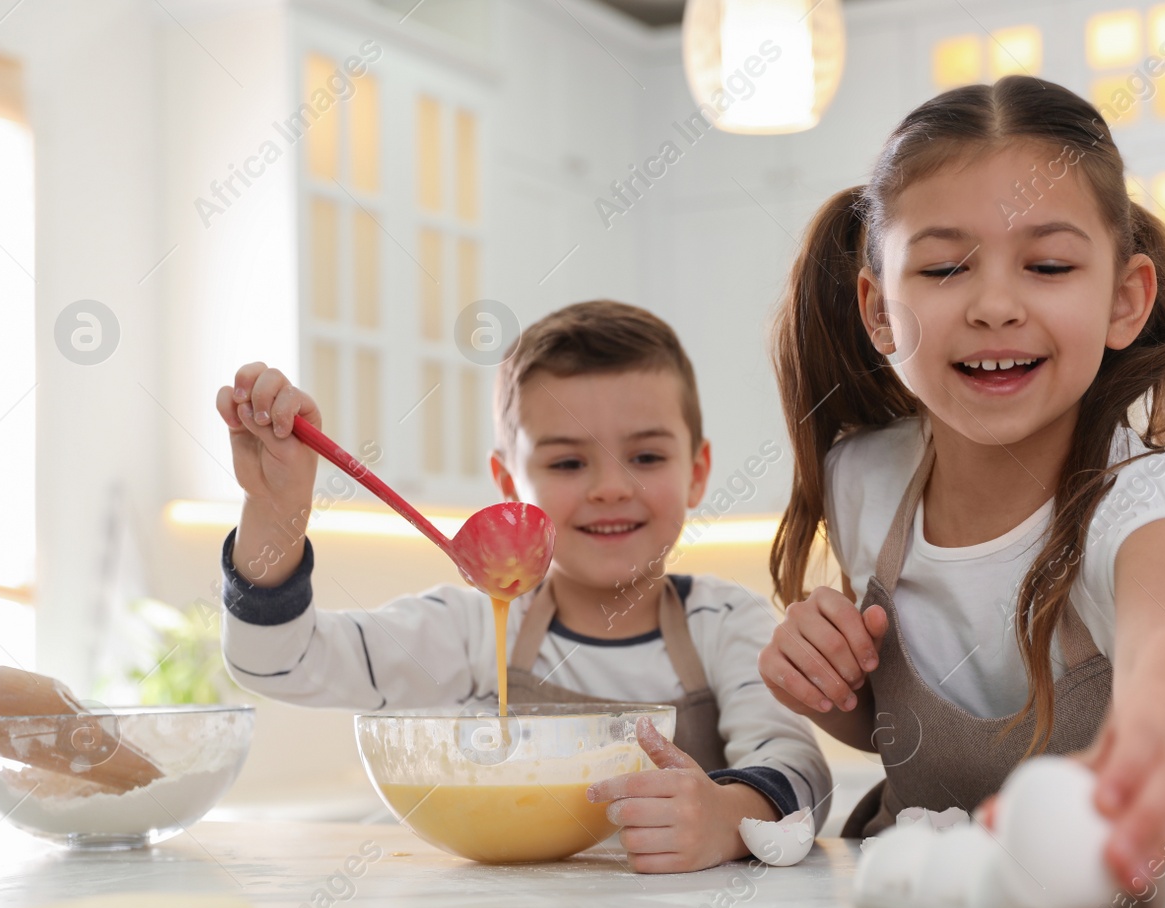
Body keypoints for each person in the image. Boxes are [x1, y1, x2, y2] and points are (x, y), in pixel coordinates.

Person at [757, 76, 1165, 889]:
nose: (995, 305)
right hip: (945, 905)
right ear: (880, 311)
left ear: (1124, 298)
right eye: (942, 269)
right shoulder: (862, 477)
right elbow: (909, 737)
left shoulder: (1146, 500)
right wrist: (830, 691)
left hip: (1134, 901)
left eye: (1047, 263)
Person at [216, 300, 830, 872]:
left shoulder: (727, 623)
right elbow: (278, 664)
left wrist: (726, 817)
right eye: (566, 462)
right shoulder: (469, 628)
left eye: (645, 458)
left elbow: (799, 772)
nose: (610, 488)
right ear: (508, 481)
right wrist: (276, 514)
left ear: (696, 473)